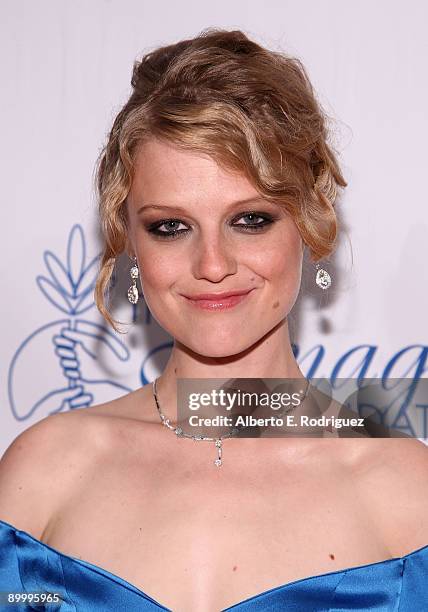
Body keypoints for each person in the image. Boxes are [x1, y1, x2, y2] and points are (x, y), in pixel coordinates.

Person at [0, 27, 427, 612]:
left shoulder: (408, 491)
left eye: (250, 220)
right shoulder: (45, 470)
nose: (213, 265)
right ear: (128, 240)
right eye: (169, 226)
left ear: (308, 221)